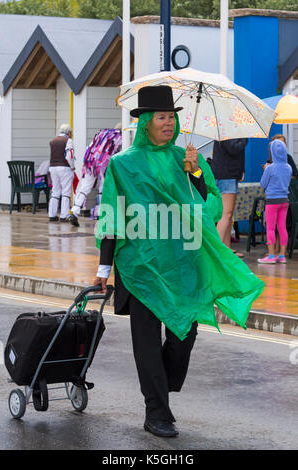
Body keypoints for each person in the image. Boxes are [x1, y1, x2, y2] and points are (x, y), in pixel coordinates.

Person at [93, 86, 264, 438]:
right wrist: (104, 270)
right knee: (146, 342)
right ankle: (157, 411)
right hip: (140, 267)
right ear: (144, 122)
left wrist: (195, 174)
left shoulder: (187, 159)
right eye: (161, 117)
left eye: (172, 117)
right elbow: (112, 216)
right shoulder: (122, 166)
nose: (169, 123)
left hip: (183, 266)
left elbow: (209, 204)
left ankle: (162, 387)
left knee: (184, 334)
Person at [70, 126, 122, 227]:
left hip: (91, 162)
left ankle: (75, 211)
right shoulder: (118, 137)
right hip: (104, 164)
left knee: (85, 187)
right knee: (103, 189)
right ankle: (100, 213)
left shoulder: (101, 134)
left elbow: (89, 148)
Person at [211, 138, 248, 257]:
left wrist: (241, 170)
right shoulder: (226, 130)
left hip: (228, 174)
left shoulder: (228, 129)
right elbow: (233, 148)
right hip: (226, 175)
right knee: (225, 214)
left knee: (228, 214)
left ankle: (227, 248)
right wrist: (245, 139)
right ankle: (217, 249)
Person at [258, 139, 292, 264]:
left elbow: (263, 184)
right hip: (284, 200)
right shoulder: (288, 167)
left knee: (271, 228)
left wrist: (265, 169)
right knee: (282, 227)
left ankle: (271, 256)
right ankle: (282, 255)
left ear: (273, 152)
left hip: (272, 201)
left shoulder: (270, 168)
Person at [48, 124, 75, 222]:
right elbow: (69, 155)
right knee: (66, 192)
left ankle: (52, 214)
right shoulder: (68, 140)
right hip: (64, 167)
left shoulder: (52, 141)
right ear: (68, 133)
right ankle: (64, 215)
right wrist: (72, 166)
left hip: (53, 167)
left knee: (55, 191)